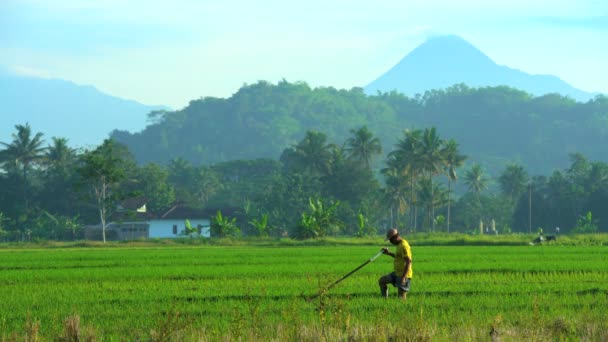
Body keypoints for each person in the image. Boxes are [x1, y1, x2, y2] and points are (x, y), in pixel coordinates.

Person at [378, 228, 412, 299]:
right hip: (396, 273)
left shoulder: (403, 246)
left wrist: (403, 277)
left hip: (403, 275)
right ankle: (384, 300)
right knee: (382, 281)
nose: (390, 242)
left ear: (395, 237)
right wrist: (388, 253)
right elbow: (398, 257)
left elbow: (408, 262)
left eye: (390, 240)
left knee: (401, 298)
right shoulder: (399, 245)